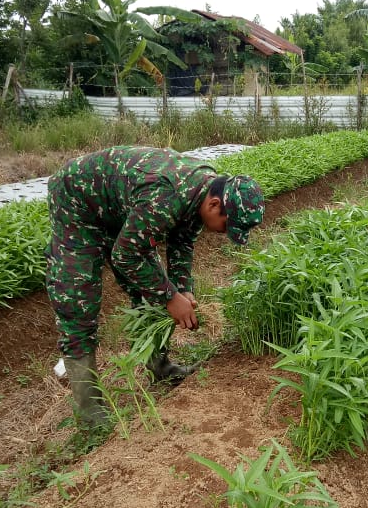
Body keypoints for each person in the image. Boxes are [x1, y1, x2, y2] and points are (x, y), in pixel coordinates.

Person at [46, 145, 264, 426]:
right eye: (226, 226)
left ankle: (160, 369)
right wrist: (170, 297)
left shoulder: (204, 190)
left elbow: (182, 241)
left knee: (151, 288)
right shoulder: (166, 197)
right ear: (214, 205)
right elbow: (125, 256)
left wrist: (182, 288)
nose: (224, 233)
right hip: (77, 202)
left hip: (122, 207)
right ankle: (90, 414)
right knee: (78, 300)